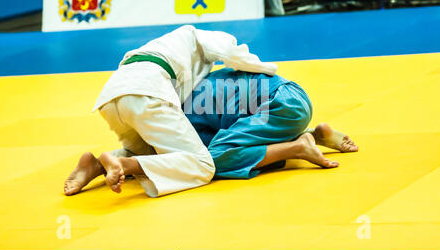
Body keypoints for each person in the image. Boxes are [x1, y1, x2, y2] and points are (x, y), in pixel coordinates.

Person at [64, 25, 278, 197]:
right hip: (147, 91)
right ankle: (123, 164)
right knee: (203, 165)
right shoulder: (196, 34)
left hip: (110, 97)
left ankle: (98, 164)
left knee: (152, 152)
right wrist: (270, 70)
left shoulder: (162, 45)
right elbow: (234, 54)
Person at [184, 68, 358, 179]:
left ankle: (297, 147)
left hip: (278, 109)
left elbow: (220, 152)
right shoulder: (197, 81)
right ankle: (312, 135)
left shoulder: (178, 117)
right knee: (236, 140)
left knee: (209, 161)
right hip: (294, 95)